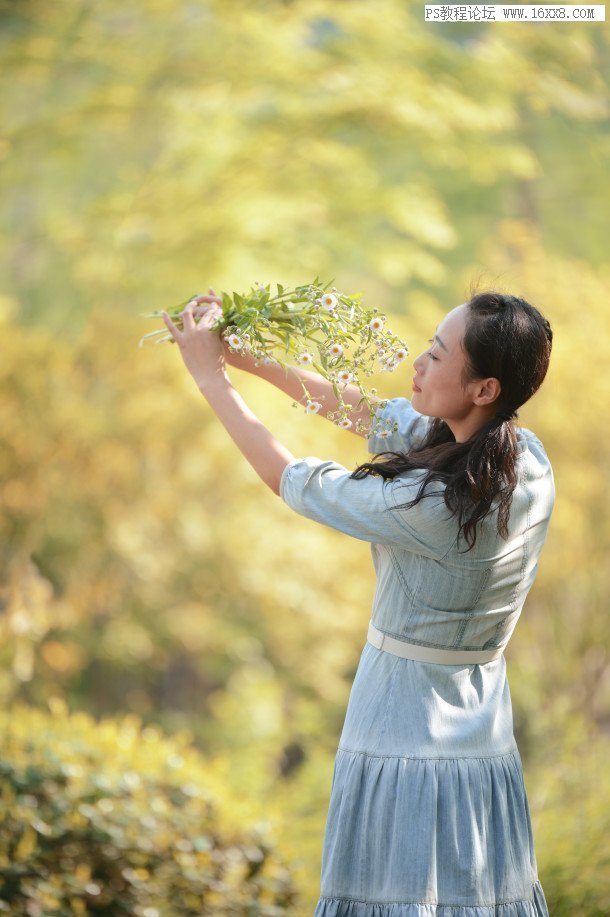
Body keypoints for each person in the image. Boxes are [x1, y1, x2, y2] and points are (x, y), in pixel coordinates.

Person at [162, 287, 555, 916]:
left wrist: (210, 377)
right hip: (480, 727)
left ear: (483, 388)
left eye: (436, 354)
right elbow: (373, 416)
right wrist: (243, 356)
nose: (418, 364)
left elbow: (293, 480)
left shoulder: (436, 507)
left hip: (404, 724)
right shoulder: (526, 464)